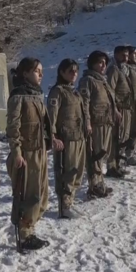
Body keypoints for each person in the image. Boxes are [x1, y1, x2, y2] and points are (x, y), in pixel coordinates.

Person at [7, 57, 60, 251]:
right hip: (27, 154)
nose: (41, 75)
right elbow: (13, 127)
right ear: (25, 73)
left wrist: (52, 138)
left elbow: (44, 123)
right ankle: (25, 234)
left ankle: (30, 228)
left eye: (41, 71)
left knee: (42, 195)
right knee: (30, 195)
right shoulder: (18, 96)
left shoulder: (37, 94)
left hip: (40, 150)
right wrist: (17, 152)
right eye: (37, 71)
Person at [48, 58, 90, 219]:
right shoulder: (58, 91)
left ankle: (70, 201)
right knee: (67, 173)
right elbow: (52, 116)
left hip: (79, 136)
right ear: (62, 72)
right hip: (66, 138)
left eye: (76, 71)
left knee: (77, 172)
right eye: (70, 71)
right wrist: (52, 135)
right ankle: (64, 206)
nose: (74, 74)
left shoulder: (74, 91)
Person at [79, 50, 119, 198]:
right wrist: (87, 122)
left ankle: (100, 182)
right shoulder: (88, 80)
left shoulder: (103, 80)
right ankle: (94, 185)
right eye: (99, 62)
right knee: (95, 155)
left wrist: (115, 112)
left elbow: (110, 100)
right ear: (92, 63)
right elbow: (84, 103)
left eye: (104, 63)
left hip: (106, 122)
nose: (103, 65)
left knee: (102, 153)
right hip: (96, 123)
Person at [107, 46, 135, 178]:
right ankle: (112, 166)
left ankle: (119, 164)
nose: (126, 58)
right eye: (123, 55)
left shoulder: (124, 69)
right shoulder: (113, 69)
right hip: (119, 109)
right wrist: (115, 107)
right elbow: (110, 90)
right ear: (116, 55)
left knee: (124, 136)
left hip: (126, 107)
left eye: (127, 55)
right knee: (117, 138)